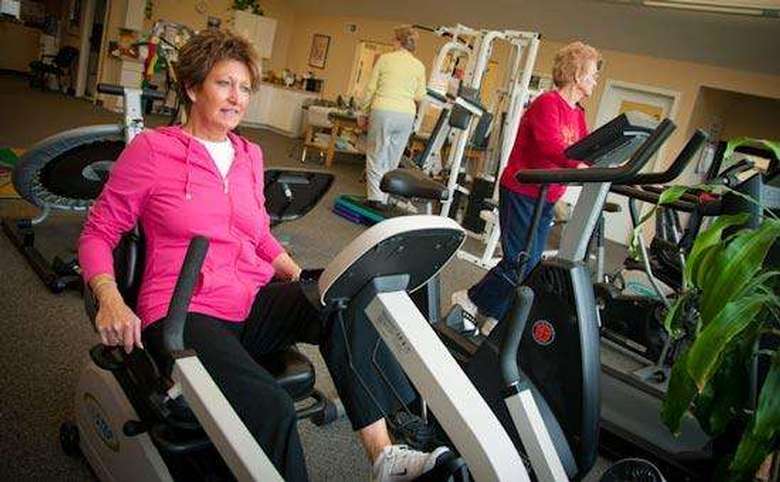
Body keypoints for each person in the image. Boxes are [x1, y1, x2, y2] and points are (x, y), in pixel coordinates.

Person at [78, 29, 447, 482]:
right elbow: (99, 231)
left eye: (246, 88)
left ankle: (384, 454)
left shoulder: (249, 154)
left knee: (345, 301)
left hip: (248, 300)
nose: (237, 98)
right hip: (183, 311)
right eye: (224, 84)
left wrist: (300, 279)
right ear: (193, 87)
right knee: (271, 407)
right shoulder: (153, 151)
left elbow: (257, 236)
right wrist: (110, 297)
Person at [452, 41, 602, 333]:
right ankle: (471, 300)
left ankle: (496, 315)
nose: (595, 80)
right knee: (522, 260)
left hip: (547, 196)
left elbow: (585, 147)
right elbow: (550, 145)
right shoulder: (548, 102)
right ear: (576, 74)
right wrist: (578, 166)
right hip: (523, 191)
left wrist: (602, 163)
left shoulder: (578, 113)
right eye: (593, 74)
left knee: (529, 264)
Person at [360, 25, 427, 209]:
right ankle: (385, 197)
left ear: (398, 41)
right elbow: (421, 97)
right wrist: (417, 122)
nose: (391, 42)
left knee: (376, 153)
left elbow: (370, 89)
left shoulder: (385, 59)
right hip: (406, 114)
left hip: (384, 110)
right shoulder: (418, 66)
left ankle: (375, 198)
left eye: (393, 39)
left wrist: (363, 112)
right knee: (392, 158)